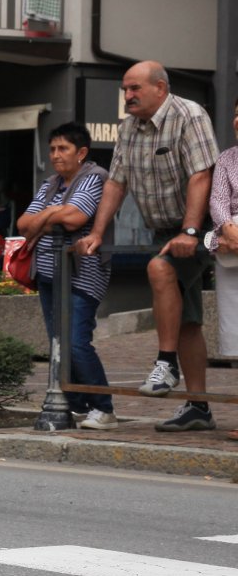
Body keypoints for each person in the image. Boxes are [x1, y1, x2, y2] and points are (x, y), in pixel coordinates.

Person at [78, 61, 219, 432]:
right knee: (187, 321)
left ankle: (166, 363)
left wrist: (190, 231)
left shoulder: (189, 115)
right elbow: (116, 183)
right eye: (125, 89)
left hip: (203, 226)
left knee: (159, 268)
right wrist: (97, 232)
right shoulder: (128, 127)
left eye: (134, 88)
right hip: (162, 230)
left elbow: (202, 174)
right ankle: (199, 408)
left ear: (160, 87)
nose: (127, 96)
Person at [17, 123, 116, 430]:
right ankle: (76, 405)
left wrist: (46, 214)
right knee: (58, 342)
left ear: (81, 152)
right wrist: (52, 214)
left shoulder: (95, 177)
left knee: (75, 342)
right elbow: (23, 224)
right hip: (47, 273)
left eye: (63, 149)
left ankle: (104, 408)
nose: (56, 155)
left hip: (83, 273)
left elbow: (75, 218)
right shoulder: (51, 183)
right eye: (52, 149)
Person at [207, 96, 238, 441]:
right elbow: (217, 199)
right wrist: (228, 228)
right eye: (237, 114)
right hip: (231, 248)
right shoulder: (227, 158)